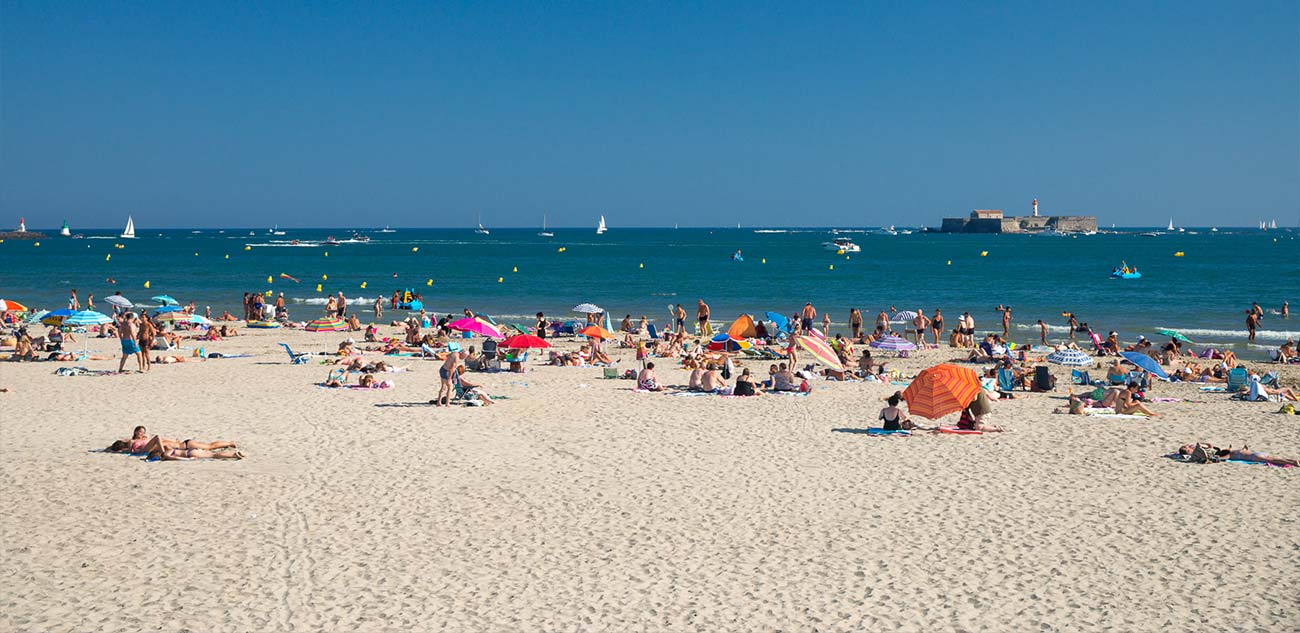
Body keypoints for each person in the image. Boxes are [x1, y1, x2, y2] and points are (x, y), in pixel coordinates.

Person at [1178, 443, 1299, 467]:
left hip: (1252, 456)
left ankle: (1293, 461)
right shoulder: (1233, 453)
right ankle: (1292, 461)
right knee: (1273, 458)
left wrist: (1218, 458)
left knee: (1273, 459)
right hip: (1251, 455)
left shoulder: (1231, 455)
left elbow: (1222, 457)